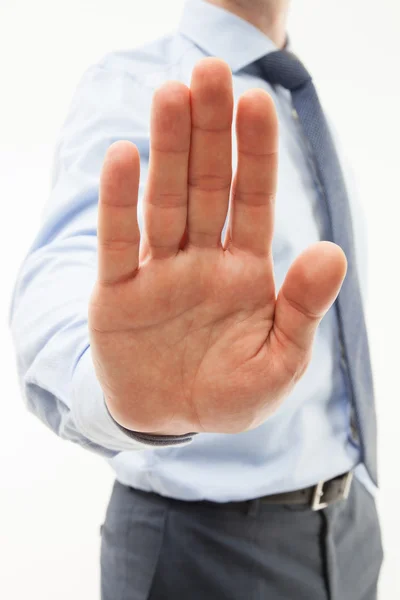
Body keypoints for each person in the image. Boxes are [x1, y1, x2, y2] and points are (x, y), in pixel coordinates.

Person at [8, 0, 384, 598]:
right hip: (202, 549)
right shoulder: (135, 84)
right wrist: (116, 392)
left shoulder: (298, 98)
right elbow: (57, 282)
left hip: (350, 529)